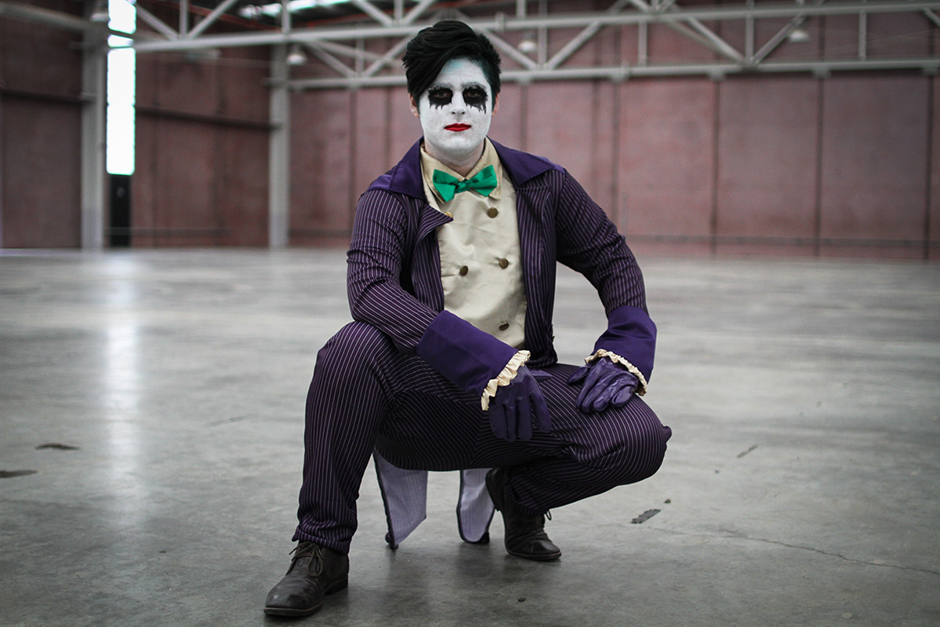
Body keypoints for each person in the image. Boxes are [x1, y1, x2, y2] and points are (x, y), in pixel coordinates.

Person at [263, 20, 672, 618]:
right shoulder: (388, 197)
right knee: (348, 351)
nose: (458, 108)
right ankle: (323, 549)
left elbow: (612, 258)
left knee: (637, 437)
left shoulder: (545, 185)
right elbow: (370, 291)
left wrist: (628, 346)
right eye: (440, 95)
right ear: (415, 104)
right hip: (426, 401)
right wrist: (485, 361)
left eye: (473, 95)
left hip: (524, 400)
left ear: (495, 103)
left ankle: (519, 494)